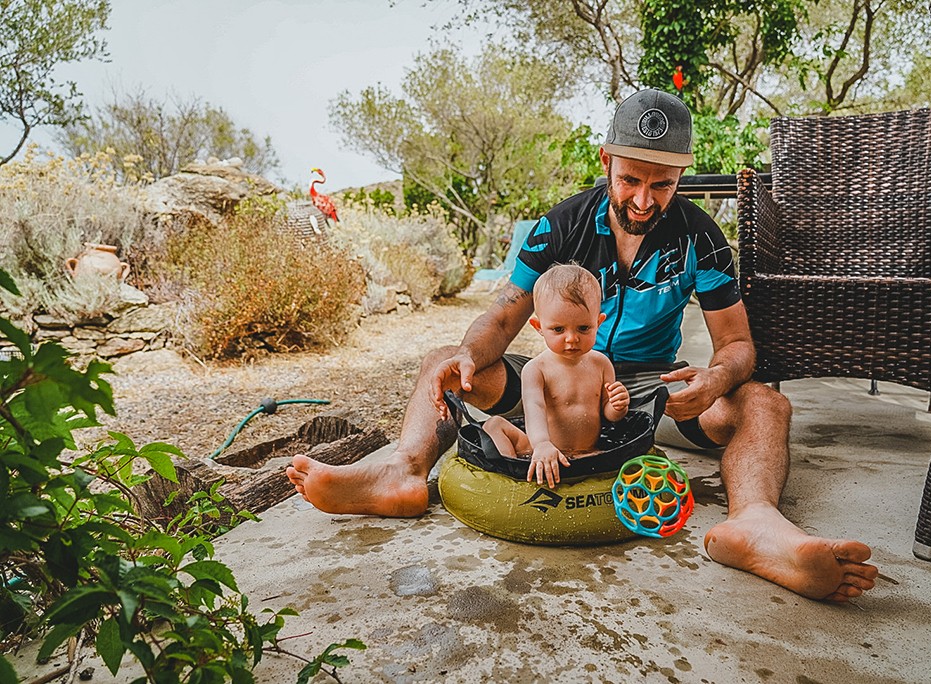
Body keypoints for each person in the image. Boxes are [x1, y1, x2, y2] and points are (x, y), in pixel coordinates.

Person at [287, 88, 879, 603]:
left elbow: (738, 344)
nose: (644, 200)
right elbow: (499, 319)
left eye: (663, 185)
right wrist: (470, 354)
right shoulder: (561, 224)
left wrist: (716, 380)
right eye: (630, 180)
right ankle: (401, 474)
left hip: (647, 390)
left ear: (681, 178)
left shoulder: (701, 235)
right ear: (606, 162)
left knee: (766, 404)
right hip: (551, 383)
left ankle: (754, 525)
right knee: (444, 361)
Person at [481, 263, 631, 487]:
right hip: (539, 448)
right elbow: (534, 410)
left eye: (583, 328)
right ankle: (513, 474)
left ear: (598, 323)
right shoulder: (536, 369)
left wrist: (618, 406)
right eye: (558, 330)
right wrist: (541, 444)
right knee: (492, 425)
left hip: (587, 452)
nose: (571, 339)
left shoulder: (601, 364)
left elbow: (608, 415)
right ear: (539, 327)